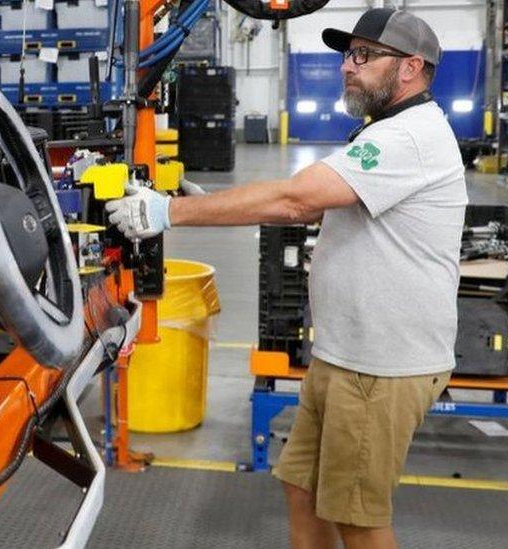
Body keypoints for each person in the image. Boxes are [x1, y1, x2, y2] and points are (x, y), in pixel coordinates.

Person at [105, 8, 467, 549]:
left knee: (358, 517)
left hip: (382, 365)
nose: (348, 66)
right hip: (344, 356)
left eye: (364, 55)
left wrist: (166, 213)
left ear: (412, 67)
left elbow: (298, 199)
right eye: (348, 54)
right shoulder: (386, 131)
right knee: (303, 487)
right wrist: (208, 204)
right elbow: (322, 204)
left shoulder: (409, 137)